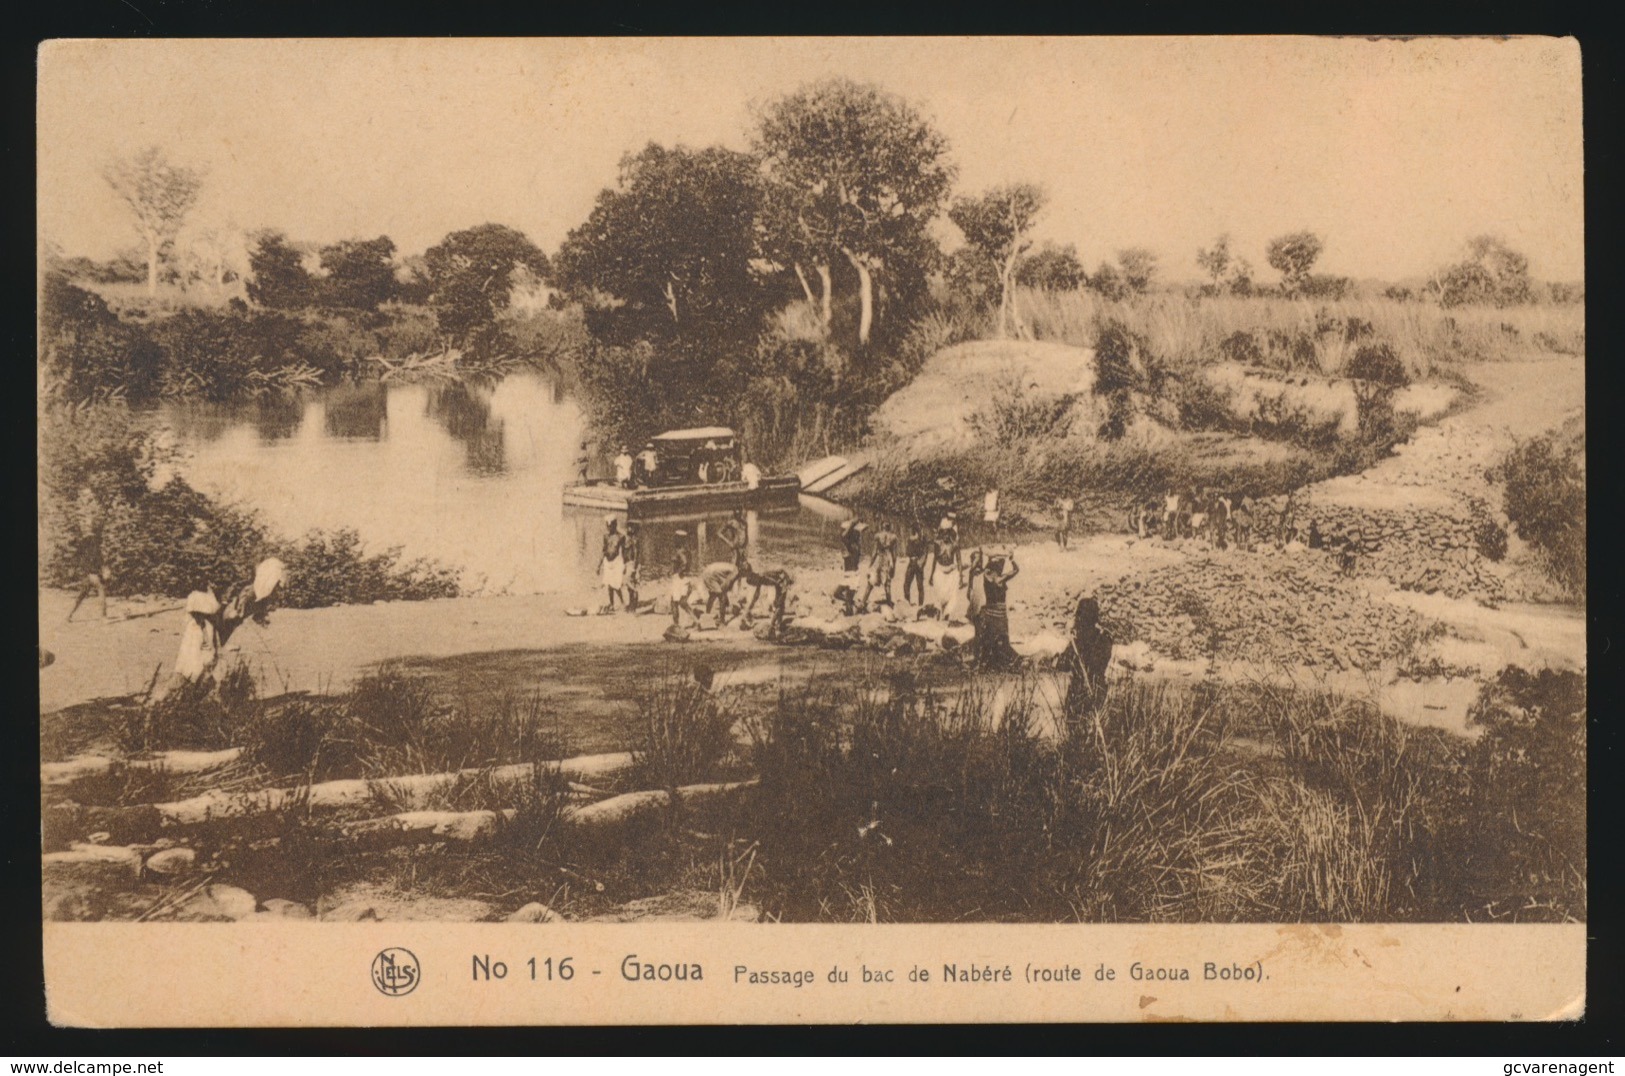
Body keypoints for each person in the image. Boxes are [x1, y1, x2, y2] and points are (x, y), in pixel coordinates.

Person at [1063, 596, 1114, 716]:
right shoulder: (1105, 639)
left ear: (1080, 618)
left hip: (1077, 694)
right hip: (1099, 693)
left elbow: (1063, 664)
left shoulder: (1078, 642)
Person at [973, 553, 1020, 670]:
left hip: (990, 614)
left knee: (988, 642)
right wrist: (1011, 559)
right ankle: (1005, 661)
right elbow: (1016, 570)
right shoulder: (1000, 578)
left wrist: (990, 557)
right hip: (1000, 615)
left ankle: (984, 663)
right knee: (1002, 641)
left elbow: (978, 569)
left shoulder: (986, 576)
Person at [859, 520, 898, 610]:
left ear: (882, 527)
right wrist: (894, 567)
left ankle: (863, 602)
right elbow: (894, 555)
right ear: (889, 527)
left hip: (879, 558)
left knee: (870, 582)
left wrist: (870, 564)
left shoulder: (878, 536)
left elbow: (874, 552)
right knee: (887, 583)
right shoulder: (893, 537)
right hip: (888, 559)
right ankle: (889, 604)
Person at [929, 519, 961, 620]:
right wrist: (931, 575)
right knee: (938, 595)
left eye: (947, 533)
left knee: (951, 596)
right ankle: (938, 613)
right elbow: (935, 559)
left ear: (950, 533)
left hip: (951, 573)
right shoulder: (938, 544)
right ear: (941, 533)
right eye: (943, 533)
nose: (945, 535)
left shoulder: (955, 545)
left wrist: (960, 576)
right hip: (940, 571)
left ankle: (947, 614)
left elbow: (959, 560)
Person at [700, 560, 742, 626]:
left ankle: (707, 615)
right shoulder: (735, 572)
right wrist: (727, 603)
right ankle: (722, 621)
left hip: (709, 572)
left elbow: (725, 585)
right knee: (722, 597)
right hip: (710, 575)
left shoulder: (733, 568)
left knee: (713, 595)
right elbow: (725, 586)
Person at [598, 516, 627, 611]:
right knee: (609, 585)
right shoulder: (606, 536)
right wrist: (599, 565)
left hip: (616, 562)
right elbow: (603, 550)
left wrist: (625, 565)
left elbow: (624, 552)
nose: (609, 528)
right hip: (607, 561)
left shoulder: (621, 537)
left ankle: (622, 602)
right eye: (607, 526)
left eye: (610, 526)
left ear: (615, 525)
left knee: (616, 584)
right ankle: (611, 603)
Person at [901, 523, 928, 606]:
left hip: (916, 563)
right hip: (914, 563)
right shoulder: (913, 539)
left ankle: (917, 604)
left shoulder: (920, 540)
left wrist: (921, 562)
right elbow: (908, 552)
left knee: (916, 585)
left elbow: (924, 553)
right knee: (909, 584)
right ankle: (911, 603)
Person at [622, 522, 642, 611]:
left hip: (631, 563)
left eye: (630, 528)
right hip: (628, 563)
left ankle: (633, 604)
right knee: (629, 585)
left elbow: (636, 553)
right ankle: (631, 604)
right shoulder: (629, 539)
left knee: (628, 582)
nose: (628, 529)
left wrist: (635, 565)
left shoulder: (634, 540)